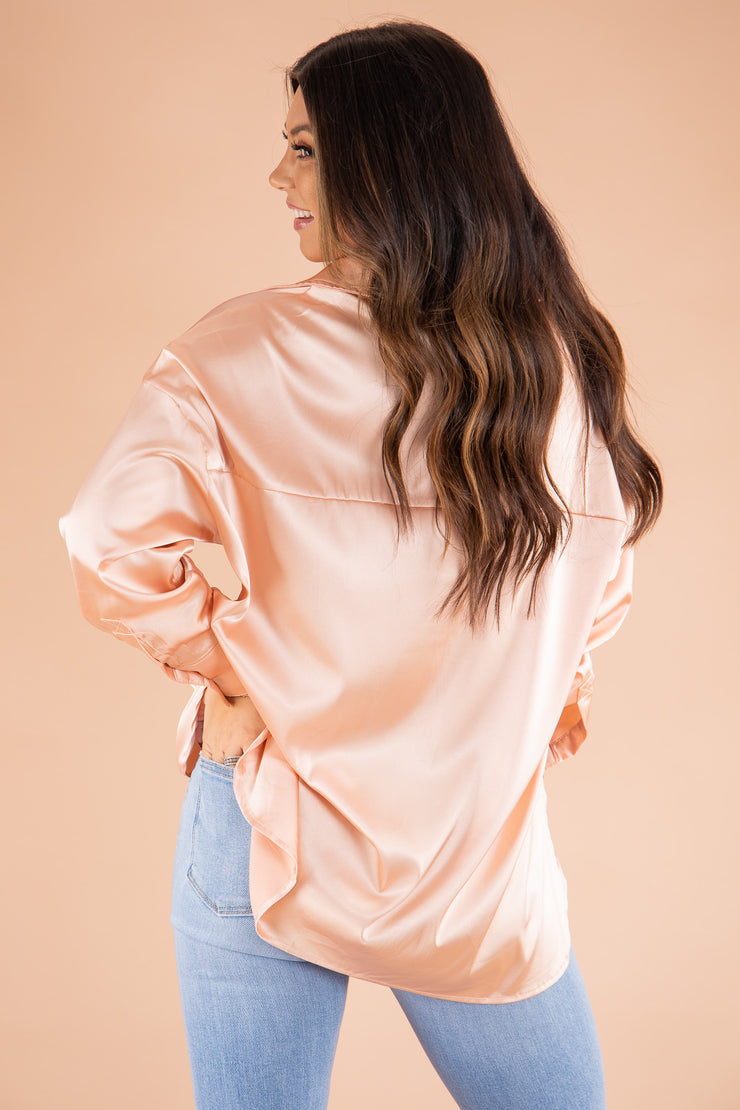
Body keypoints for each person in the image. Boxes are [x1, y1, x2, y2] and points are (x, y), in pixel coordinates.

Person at [58, 17, 663, 1110]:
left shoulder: (235, 353)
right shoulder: (557, 367)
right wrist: (530, 697)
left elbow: (108, 544)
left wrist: (232, 667)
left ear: (384, 158)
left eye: (303, 147)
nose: (277, 176)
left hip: (274, 821)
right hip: (465, 839)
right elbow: (597, 585)